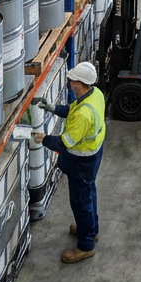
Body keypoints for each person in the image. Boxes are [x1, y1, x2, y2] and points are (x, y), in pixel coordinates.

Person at [34, 61, 105, 264]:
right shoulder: (94, 94)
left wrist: (42, 138)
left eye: (72, 80)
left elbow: (65, 144)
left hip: (81, 162)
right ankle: (91, 231)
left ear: (79, 84)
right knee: (89, 194)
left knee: (80, 202)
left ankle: (85, 246)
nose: (69, 82)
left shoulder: (84, 115)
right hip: (94, 154)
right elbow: (72, 109)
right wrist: (52, 108)